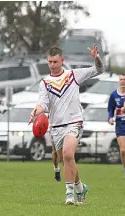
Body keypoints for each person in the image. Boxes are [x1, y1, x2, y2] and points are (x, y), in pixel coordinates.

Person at [29, 45, 104, 205]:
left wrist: (96, 57)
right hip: (56, 127)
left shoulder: (73, 75)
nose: (52, 65)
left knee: (68, 155)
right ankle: (80, 187)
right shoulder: (45, 83)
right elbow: (42, 104)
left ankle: (69, 194)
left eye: (55, 61)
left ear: (62, 61)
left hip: (74, 123)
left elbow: (99, 70)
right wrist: (36, 111)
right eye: (49, 62)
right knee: (67, 161)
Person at [107, 74, 125, 178]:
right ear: (118, 81)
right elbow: (110, 109)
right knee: (123, 150)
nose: (122, 81)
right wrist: (110, 118)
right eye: (121, 79)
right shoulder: (114, 95)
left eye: (124, 79)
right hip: (120, 125)